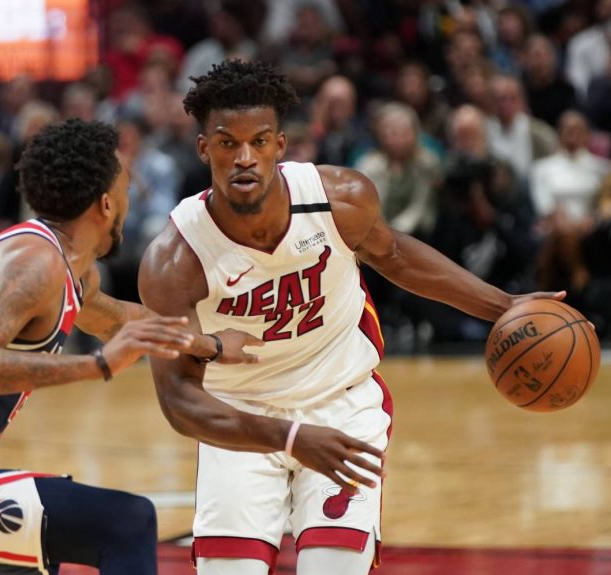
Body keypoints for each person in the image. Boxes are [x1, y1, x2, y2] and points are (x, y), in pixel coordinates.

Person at [138, 60, 562, 575]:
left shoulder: (338, 200)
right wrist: (289, 436)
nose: (245, 158)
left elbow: (399, 257)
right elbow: (179, 401)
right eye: (228, 143)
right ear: (205, 149)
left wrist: (504, 307)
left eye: (259, 141)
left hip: (339, 403)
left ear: (280, 146)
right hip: (240, 418)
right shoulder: (176, 259)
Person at [0, 119, 259, 575]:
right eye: (127, 189)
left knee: (49, 541)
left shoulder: (69, 268)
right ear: (106, 203)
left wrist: (211, 344)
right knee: (125, 522)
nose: (130, 200)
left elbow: (118, 320)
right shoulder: (33, 263)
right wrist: (97, 365)